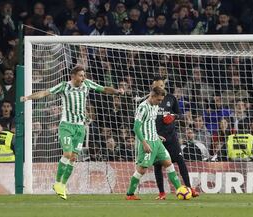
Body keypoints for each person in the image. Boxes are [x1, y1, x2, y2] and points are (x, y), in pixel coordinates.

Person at [20, 65, 124, 200]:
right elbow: (45, 92)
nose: (83, 78)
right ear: (73, 76)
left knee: (74, 158)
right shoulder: (64, 86)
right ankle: (57, 183)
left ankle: (62, 185)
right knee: (67, 154)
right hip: (66, 126)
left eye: (84, 75)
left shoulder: (86, 84)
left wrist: (116, 91)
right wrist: (28, 97)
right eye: (81, 75)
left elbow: (103, 89)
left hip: (80, 128)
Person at [126, 86, 182, 200]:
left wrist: (156, 136)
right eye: (158, 100)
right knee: (142, 169)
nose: (160, 102)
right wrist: (144, 143)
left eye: (161, 100)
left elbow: (150, 124)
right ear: (152, 96)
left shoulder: (155, 106)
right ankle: (130, 194)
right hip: (146, 142)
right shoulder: (142, 107)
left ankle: (180, 190)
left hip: (156, 141)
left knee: (168, 163)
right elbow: (136, 128)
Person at [151, 77, 199, 199]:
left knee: (180, 161)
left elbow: (181, 115)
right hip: (156, 138)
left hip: (171, 137)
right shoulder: (150, 100)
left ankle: (189, 188)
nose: (159, 88)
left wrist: (173, 116)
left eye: (161, 85)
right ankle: (161, 193)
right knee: (157, 165)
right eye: (156, 86)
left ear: (164, 86)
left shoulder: (171, 98)